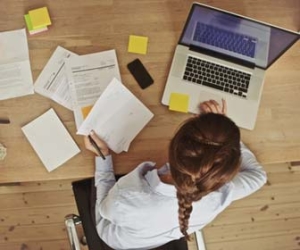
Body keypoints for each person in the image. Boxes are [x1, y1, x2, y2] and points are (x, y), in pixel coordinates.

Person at [84, 100, 267, 250]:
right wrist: (223, 137)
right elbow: (258, 176)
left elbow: (104, 211)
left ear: (173, 146)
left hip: (115, 238)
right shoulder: (223, 194)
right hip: (157, 236)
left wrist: (103, 157)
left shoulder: (126, 197)